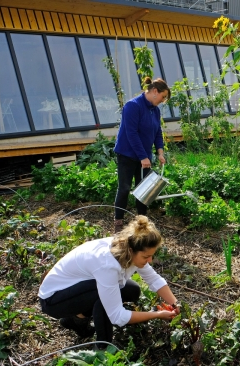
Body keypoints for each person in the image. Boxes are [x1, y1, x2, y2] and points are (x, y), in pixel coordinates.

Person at [38, 215, 179, 347]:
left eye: (151, 256)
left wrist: (175, 304)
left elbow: (153, 278)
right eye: (146, 257)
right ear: (131, 250)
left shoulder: (127, 247)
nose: (150, 260)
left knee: (132, 291)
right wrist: (157, 315)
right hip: (53, 299)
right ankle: (103, 349)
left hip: (77, 288)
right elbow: (117, 316)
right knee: (104, 299)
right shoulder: (107, 264)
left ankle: (76, 320)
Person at [113, 77, 169, 233]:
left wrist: (160, 152)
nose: (163, 100)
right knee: (124, 188)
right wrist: (143, 157)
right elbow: (131, 133)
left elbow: (157, 132)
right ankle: (118, 224)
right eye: (163, 96)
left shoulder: (155, 110)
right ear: (154, 92)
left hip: (144, 157)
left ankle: (142, 224)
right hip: (127, 154)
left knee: (143, 191)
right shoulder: (132, 106)